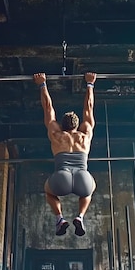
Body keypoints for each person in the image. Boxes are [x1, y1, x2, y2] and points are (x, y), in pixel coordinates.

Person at [34, 72, 97, 236]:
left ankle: (60, 218)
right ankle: (80, 216)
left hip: (61, 176)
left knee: (49, 191)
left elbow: (48, 108)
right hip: (82, 175)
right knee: (88, 191)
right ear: (78, 125)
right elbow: (88, 108)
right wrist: (90, 84)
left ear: (61, 124)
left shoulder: (56, 134)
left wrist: (42, 85)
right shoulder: (85, 135)